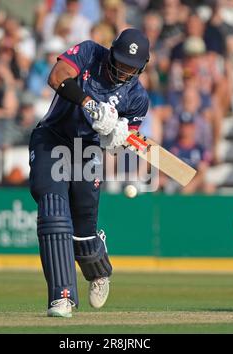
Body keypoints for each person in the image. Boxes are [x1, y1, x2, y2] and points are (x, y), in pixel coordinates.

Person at [29, 28, 150, 317]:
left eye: (131, 67)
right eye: (120, 61)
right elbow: (56, 77)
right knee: (53, 210)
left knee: (83, 232)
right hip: (53, 138)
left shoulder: (138, 98)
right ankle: (62, 297)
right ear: (111, 53)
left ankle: (99, 271)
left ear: (142, 67)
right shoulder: (89, 53)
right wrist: (89, 103)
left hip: (87, 151)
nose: (123, 70)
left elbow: (127, 140)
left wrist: (116, 137)